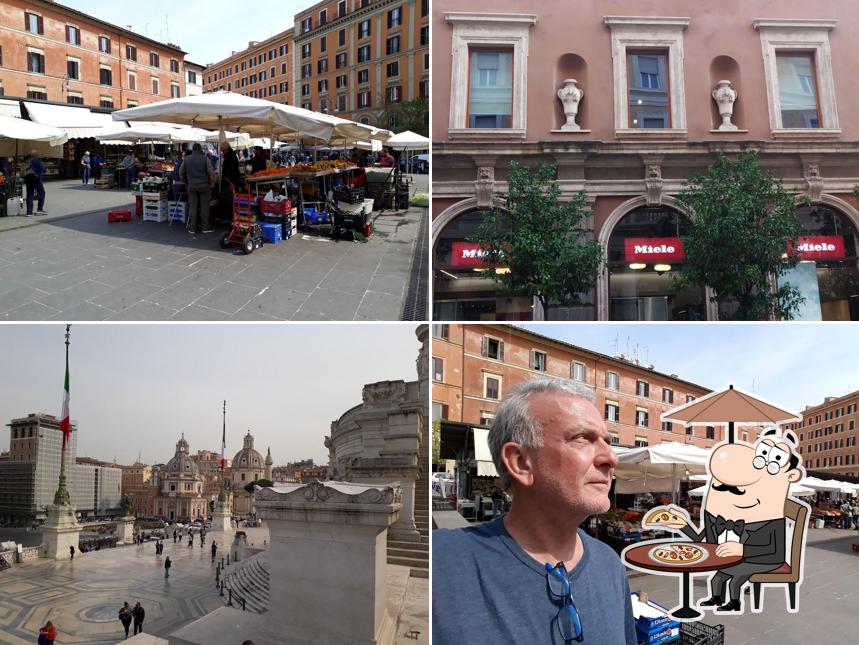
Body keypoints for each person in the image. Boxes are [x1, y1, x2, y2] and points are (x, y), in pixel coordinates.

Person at [432, 378, 636, 644]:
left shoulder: (610, 565)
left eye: (608, 441)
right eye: (583, 438)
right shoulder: (442, 564)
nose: (611, 458)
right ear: (521, 463)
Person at [180, 142, 215, 234]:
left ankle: (192, 228)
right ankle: (205, 227)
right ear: (200, 149)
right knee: (204, 207)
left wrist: (185, 181)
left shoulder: (186, 159)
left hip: (191, 185)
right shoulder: (205, 159)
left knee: (193, 207)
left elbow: (181, 172)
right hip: (204, 185)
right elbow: (211, 173)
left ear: (193, 150)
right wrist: (212, 182)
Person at [22, 151, 47, 216]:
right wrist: (46, 169)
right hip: (35, 178)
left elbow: (23, 171)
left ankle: (29, 212)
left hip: (27, 178)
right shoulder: (36, 160)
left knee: (30, 194)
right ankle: (40, 209)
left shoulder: (25, 161)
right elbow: (43, 169)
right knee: (42, 192)